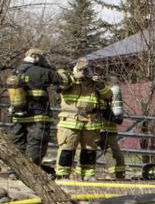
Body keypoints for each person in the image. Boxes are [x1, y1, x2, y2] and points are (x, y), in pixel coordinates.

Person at [5, 47, 61, 175]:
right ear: (36, 57)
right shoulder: (43, 72)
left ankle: (14, 172)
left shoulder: (15, 71)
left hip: (18, 116)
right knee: (36, 145)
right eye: (42, 57)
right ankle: (31, 172)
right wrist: (52, 68)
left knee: (17, 144)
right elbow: (63, 82)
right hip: (38, 116)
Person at [54, 57, 107, 179]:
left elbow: (108, 95)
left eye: (90, 69)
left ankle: (88, 174)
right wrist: (75, 76)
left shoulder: (96, 83)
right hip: (71, 120)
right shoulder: (69, 80)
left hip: (90, 120)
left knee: (89, 149)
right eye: (85, 69)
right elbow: (60, 86)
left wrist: (99, 84)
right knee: (67, 147)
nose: (89, 72)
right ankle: (63, 174)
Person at [88, 68, 127, 180]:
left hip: (108, 126)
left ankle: (118, 175)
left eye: (99, 75)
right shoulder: (85, 88)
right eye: (94, 75)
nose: (97, 77)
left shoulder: (109, 90)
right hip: (91, 126)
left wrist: (115, 117)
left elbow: (114, 107)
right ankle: (85, 175)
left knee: (114, 152)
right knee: (88, 150)